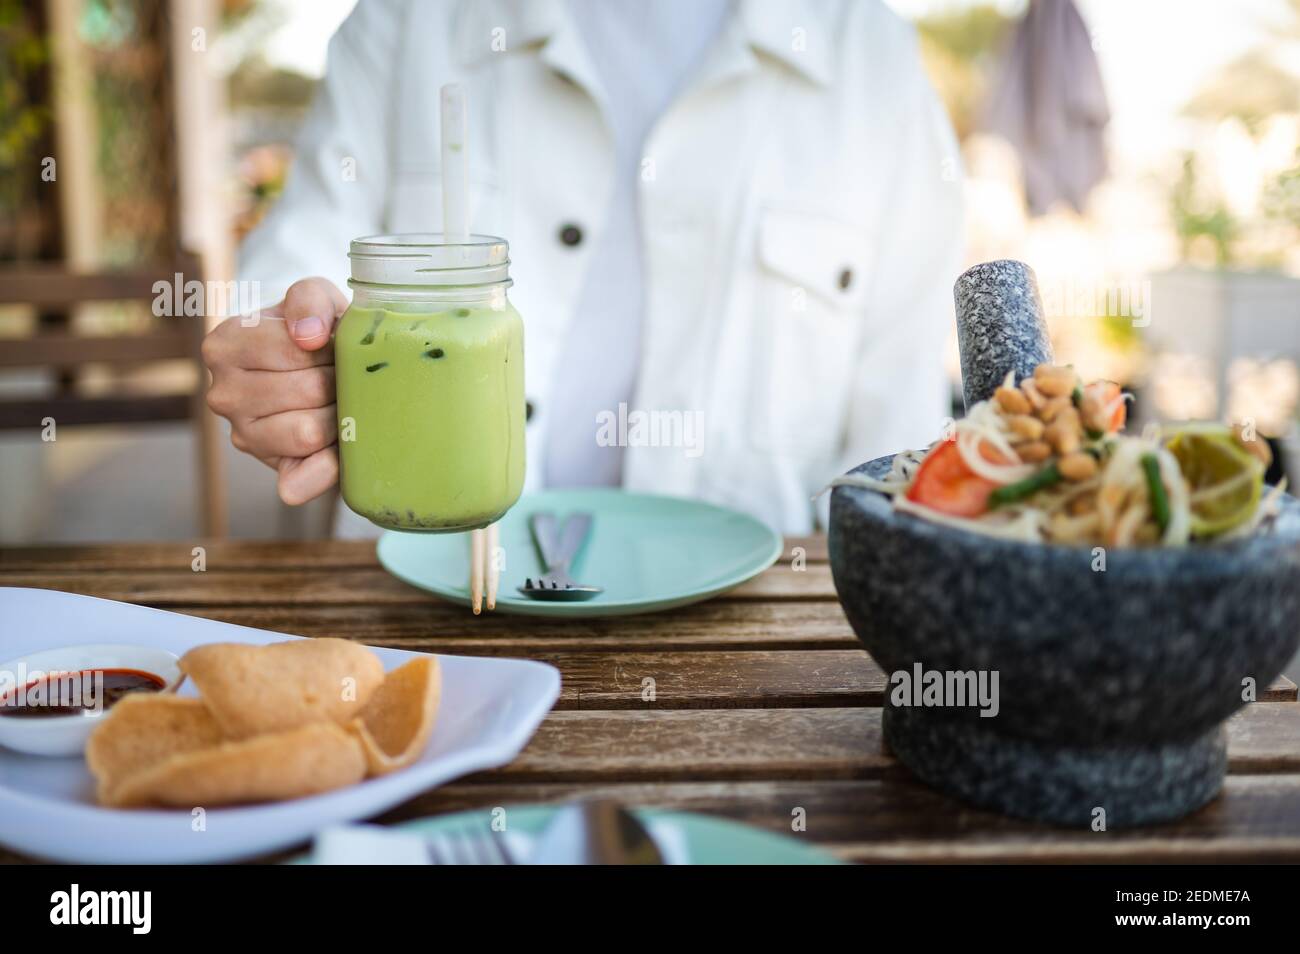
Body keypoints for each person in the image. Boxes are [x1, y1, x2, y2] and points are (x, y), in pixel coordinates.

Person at [202, 0, 964, 536]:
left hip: (748, 645)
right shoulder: (405, 21)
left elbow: (897, 450)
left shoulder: (873, 61)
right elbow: (295, 259)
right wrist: (283, 357)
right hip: (418, 613)